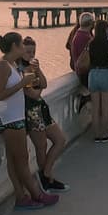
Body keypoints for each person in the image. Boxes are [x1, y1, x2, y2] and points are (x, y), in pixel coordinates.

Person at [0, 33, 60, 208]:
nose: (24, 47)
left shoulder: (12, 65)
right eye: (21, 44)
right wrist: (23, 84)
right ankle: (37, 194)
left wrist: (27, 79)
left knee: (15, 161)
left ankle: (21, 197)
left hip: (17, 117)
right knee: (22, 160)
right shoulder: (2, 66)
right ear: (15, 46)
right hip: (10, 120)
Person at [20, 37, 69, 191]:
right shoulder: (21, 71)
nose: (31, 54)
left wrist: (38, 69)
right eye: (28, 51)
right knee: (41, 147)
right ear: (21, 51)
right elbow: (32, 94)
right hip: (32, 111)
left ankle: (45, 174)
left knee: (60, 140)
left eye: (33, 51)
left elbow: (45, 83)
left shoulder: (32, 67)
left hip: (42, 109)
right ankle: (47, 180)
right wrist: (39, 86)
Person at [87, 21, 108, 143]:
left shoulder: (91, 43)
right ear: (105, 30)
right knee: (105, 107)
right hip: (105, 73)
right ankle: (104, 135)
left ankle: (96, 135)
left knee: (95, 108)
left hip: (93, 74)